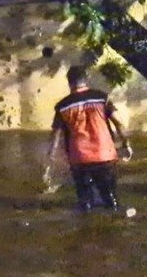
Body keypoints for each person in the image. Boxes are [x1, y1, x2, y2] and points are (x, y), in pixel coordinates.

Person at [45, 66, 132, 212]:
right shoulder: (102, 98)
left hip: (79, 158)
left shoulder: (62, 106)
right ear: (86, 80)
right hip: (105, 155)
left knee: (85, 201)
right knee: (110, 197)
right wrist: (126, 144)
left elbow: (56, 134)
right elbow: (119, 123)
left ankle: (85, 229)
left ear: (69, 83)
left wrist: (51, 156)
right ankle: (116, 224)